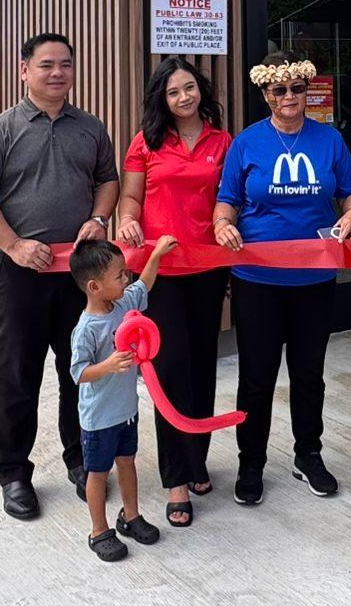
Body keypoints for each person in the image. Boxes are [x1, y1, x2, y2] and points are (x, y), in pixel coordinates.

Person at [0, 32, 118, 520]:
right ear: (24, 70)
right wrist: (12, 244)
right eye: (46, 64)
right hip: (20, 276)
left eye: (66, 64)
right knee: (15, 377)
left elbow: (106, 180)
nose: (57, 73)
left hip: (79, 276)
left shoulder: (90, 127)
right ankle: (13, 474)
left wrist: (100, 218)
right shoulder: (1, 130)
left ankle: (82, 462)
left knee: (82, 375)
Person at [213, 49, 351, 506]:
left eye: (297, 88)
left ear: (307, 89)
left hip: (314, 276)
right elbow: (227, 199)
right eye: (278, 89)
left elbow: (350, 192)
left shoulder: (329, 140)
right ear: (265, 94)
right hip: (257, 277)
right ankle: (251, 462)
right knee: (256, 376)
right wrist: (223, 223)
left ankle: (308, 454)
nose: (289, 97)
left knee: (309, 372)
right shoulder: (247, 142)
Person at [115, 57, 232, 528]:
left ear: (200, 90)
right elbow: (130, 198)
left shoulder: (222, 141)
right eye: (173, 92)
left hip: (207, 268)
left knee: (204, 366)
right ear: (161, 100)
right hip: (158, 271)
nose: (183, 97)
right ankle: (176, 479)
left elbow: (232, 200)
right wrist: (126, 218)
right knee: (171, 368)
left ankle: (197, 458)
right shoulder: (146, 142)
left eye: (189, 88)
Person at [68, 234, 180, 561]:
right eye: (119, 276)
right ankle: (99, 530)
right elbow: (78, 372)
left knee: (128, 463)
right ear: (94, 286)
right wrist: (107, 365)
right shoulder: (87, 328)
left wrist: (157, 254)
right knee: (98, 474)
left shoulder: (123, 304)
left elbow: (144, 283)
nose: (126, 278)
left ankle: (130, 517)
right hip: (99, 418)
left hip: (126, 412)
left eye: (124, 271)